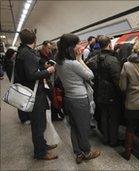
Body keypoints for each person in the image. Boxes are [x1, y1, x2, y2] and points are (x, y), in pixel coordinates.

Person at [55, 34, 100, 164]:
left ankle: (78, 152)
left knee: (74, 127)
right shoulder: (73, 63)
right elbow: (90, 75)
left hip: (69, 98)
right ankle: (86, 152)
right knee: (84, 127)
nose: (79, 46)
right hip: (79, 99)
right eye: (77, 44)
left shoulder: (59, 62)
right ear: (70, 47)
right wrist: (80, 60)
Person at [14, 29, 57, 160]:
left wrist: (42, 63)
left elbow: (34, 61)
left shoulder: (23, 51)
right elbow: (32, 75)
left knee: (39, 122)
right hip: (34, 93)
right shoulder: (27, 54)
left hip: (32, 91)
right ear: (35, 40)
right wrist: (48, 70)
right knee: (38, 124)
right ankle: (40, 153)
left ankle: (42, 145)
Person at [94, 35, 122, 147]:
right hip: (111, 94)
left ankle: (105, 138)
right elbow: (117, 80)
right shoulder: (113, 60)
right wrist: (122, 93)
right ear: (110, 45)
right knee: (113, 118)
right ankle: (113, 140)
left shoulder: (95, 58)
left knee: (104, 116)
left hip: (100, 92)